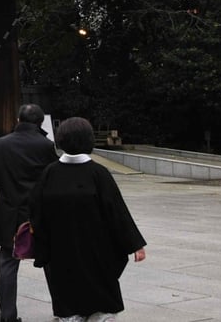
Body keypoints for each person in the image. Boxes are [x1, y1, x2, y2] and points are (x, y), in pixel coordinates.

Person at [29, 117, 147, 321]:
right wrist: (134, 244)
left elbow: (36, 213)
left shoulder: (49, 173)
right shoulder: (98, 174)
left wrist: (41, 246)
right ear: (88, 140)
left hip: (60, 250)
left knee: (67, 297)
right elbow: (117, 213)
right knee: (100, 298)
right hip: (97, 250)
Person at [0, 103, 58, 322]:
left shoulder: (0, 144)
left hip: (9, 210)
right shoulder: (45, 145)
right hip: (40, 212)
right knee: (51, 262)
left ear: (18, 120)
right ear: (40, 122)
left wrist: (7, 186)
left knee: (7, 263)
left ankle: (8, 316)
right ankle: (61, 311)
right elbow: (53, 177)